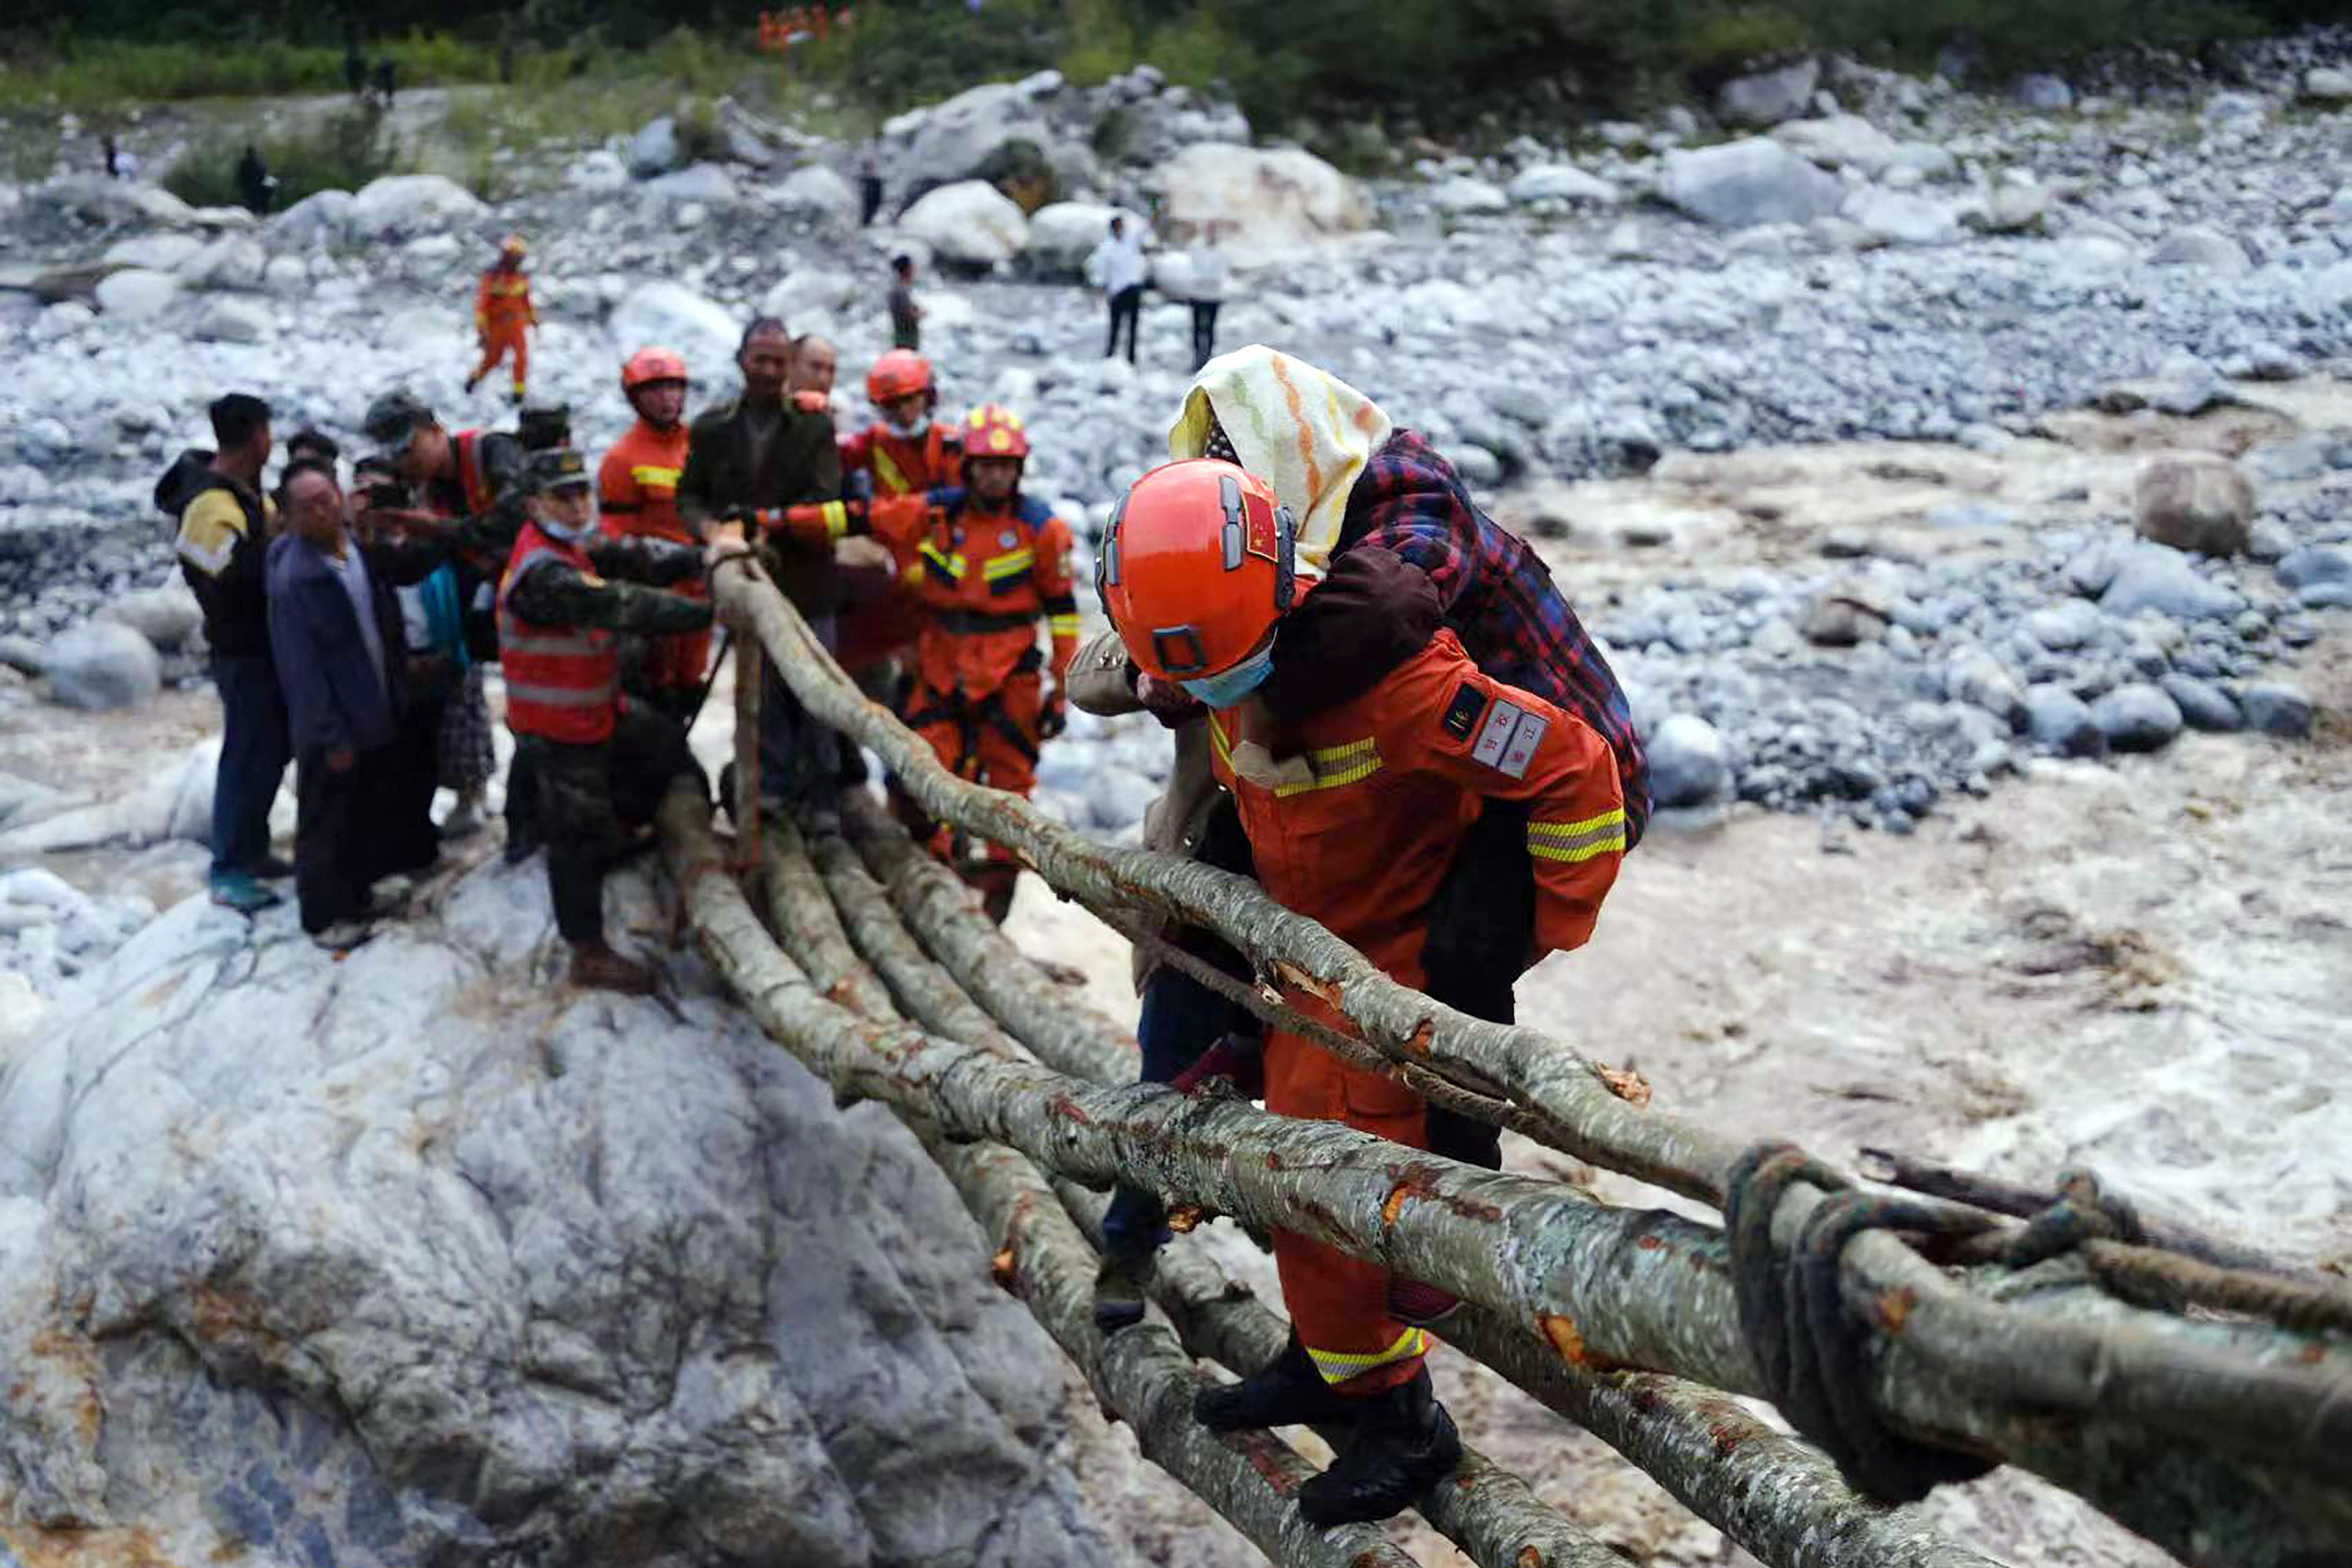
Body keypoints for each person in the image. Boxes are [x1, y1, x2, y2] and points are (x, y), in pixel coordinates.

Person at [1098, 457, 1628, 1527]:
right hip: (1303, 975)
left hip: (1389, 981)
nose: (1200, 704)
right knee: (1301, 1187)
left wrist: (1522, 935)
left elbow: (1573, 769)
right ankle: (1329, 1362)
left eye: (1213, 678)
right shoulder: (1214, 652)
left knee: (1368, 1199)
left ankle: (1403, 1425)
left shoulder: (1408, 685)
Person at [1080, 347, 1653, 1329]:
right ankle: (1178, 1151)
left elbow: (1380, 620)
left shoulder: (1402, 504)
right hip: (1429, 773)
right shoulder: (1268, 525)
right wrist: (1163, 653)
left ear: (1282, 445)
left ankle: (1457, 1206)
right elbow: (1127, 639)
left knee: (1457, 971)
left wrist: (1224, 664)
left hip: (1534, 773)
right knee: (1208, 914)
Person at [767, 404, 1075, 922]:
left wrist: (1061, 689)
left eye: (1004, 465)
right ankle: (938, 902)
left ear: (1018, 469)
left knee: (1011, 801)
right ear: (968, 467)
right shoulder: (935, 513)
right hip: (941, 673)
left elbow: (1063, 613)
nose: (994, 474)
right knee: (925, 786)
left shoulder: (1041, 530)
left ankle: (994, 916)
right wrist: (776, 522)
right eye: (984, 464)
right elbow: (857, 517)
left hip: (1010, 680)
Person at [497, 447, 717, 993]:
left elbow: (634, 555)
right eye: (562, 497)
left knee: (664, 746)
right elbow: (619, 603)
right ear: (533, 504)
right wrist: (707, 612)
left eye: (582, 494)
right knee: (574, 837)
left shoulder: (571, 546)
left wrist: (703, 559)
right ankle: (587, 951)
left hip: (595, 711)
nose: (576, 507)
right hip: (558, 730)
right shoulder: (543, 573)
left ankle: (631, 829)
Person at [265, 460, 445, 951]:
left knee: (365, 810)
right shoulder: (297, 579)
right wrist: (332, 736)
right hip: (334, 725)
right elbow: (302, 672)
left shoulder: (353, 550)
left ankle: (358, 893)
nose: (324, 511)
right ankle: (322, 916)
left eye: (328, 498)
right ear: (291, 517)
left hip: (374, 707)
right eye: (309, 507)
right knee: (326, 820)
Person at [675, 317, 844, 819]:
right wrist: (709, 531)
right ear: (742, 361)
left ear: (790, 366)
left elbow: (825, 498)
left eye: (777, 361)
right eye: (759, 360)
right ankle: (766, 795)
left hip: (807, 581)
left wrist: (769, 527)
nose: (768, 371)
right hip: (744, 583)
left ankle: (823, 802)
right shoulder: (711, 429)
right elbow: (689, 494)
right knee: (761, 689)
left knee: (820, 693)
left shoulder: (815, 428)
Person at [360, 390, 539, 857]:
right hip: (498, 618)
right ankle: (526, 827)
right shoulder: (429, 493)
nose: (405, 462)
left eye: (409, 448)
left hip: (545, 607)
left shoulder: (493, 451)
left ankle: (534, 824)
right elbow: (425, 560)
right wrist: (365, 545)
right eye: (395, 455)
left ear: (436, 432)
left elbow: (512, 518)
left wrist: (432, 528)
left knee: (545, 722)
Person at [155, 393, 293, 913]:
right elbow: (227, 585)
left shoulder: (242, 494)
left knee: (270, 750)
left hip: (263, 646)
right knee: (247, 753)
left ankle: (252, 851)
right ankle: (229, 867)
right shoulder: (210, 508)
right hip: (243, 651)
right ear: (258, 435)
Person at [597, 347, 707, 727]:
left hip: (701, 595)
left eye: (674, 388)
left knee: (690, 689)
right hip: (656, 603)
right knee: (653, 702)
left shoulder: (700, 446)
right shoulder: (622, 460)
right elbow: (616, 540)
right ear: (635, 397)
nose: (668, 398)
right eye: (655, 390)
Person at [465, 235, 537, 404]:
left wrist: (533, 319)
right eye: (514, 256)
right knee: (493, 359)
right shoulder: (492, 277)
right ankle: (474, 379)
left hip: (516, 323)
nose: (517, 260)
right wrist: (482, 331)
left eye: (519, 257)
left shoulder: (522, 277)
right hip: (496, 325)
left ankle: (519, 392)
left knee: (521, 356)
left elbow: (526, 300)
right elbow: (482, 305)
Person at [1088, 214, 1148, 365]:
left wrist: (1159, 209)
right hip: (1117, 291)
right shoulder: (1107, 247)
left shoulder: (1132, 241)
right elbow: (1100, 270)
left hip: (1133, 287)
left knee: (1133, 327)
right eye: (1118, 228)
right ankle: (1110, 355)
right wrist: (1099, 289)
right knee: (1115, 326)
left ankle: (1131, 358)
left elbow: (1147, 228)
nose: (1120, 231)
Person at [1185, 220, 1227, 372]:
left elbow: (1220, 272)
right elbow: (1194, 267)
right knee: (1197, 329)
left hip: (1213, 295)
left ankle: (1208, 359)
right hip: (1197, 294)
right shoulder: (1196, 247)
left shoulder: (1222, 250)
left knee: (1210, 329)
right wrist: (1205, 279)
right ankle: (1197, 358)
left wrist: (1206, 279)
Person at [789, 335, 838, 409]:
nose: (824, 379)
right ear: (791, 364)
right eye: (816, 367)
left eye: (831, 370)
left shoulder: (839, 412)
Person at [887, 254, 923, 352]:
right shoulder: (901, 290)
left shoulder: (899, 289)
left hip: (902, 338)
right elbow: (908, 314)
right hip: (906, 339)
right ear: (907, 269)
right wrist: (920, 314)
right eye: (912, 267)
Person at [235, 144, 275, 216]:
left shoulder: (245, 163)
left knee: (254, 211)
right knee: (261, 212)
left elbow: (241, 178)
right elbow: (267, 176)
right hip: (260, 191)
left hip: (254, 192)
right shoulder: (259, 162)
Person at [857, 148, 884, 227]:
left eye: (871, 167)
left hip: (873, 205)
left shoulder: (877, 181)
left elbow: (879, 197)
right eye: (868, 168)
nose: (870, 170)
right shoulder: (862, 180)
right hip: (865, 208)